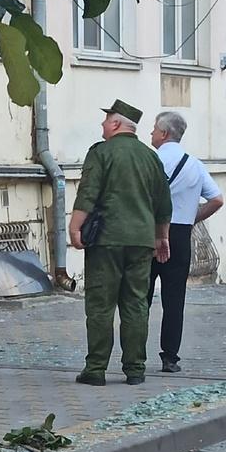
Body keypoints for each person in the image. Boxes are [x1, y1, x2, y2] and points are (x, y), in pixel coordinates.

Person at [69, 100, 172, 386]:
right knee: (136, 303)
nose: (102, 125)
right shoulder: (151, 157)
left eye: (105, 121)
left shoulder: (101, 153)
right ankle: (135, 369)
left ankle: (96, 369)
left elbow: (88, 193)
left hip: (106, 241)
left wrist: (75, 226)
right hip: (141, 241)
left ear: (115, 124)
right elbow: (164, 203)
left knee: (101, 305)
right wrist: (161, 236)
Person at [147, 111, 223, 373]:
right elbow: (217, 199)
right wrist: (192, 217)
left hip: (149, 233)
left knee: (139, 297)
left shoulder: (150, 160)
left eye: (154, 130)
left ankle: (135, 356)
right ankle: (170, 358)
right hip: (180, 235)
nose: (151, 134)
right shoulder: (194, 164)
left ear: (164, 133)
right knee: (174, 298)